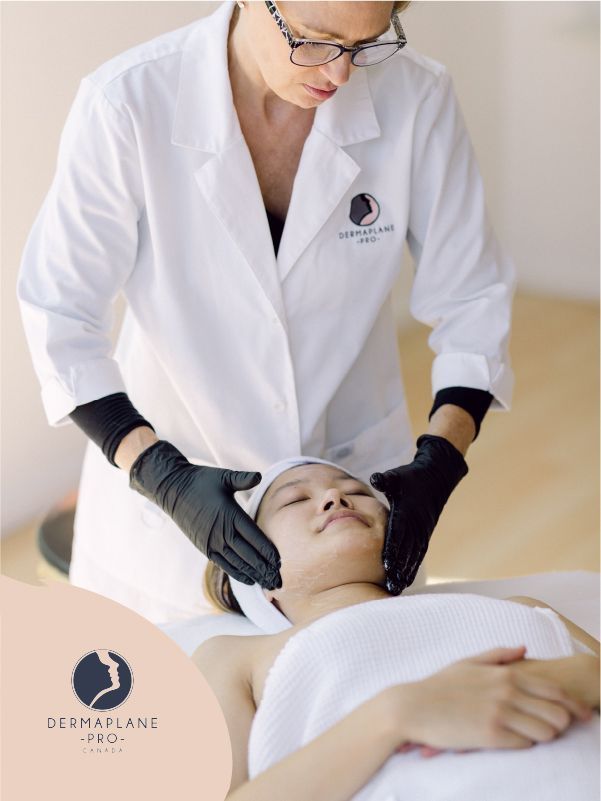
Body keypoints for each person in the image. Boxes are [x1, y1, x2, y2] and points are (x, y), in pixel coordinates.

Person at [16, 0, 515, 624]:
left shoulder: (417, 97)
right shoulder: (129, 102)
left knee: (346, 701)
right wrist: (161, 474)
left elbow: (471, 301)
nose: (339, 76)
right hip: (170, 492)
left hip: (346, 494)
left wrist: (440, 463)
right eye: (315, 39)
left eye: (365, 44)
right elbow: (61, 315)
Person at [196, 458, 600, 801]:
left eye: (356, 491)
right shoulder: (235, 658)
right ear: (257, 573)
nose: (335, 498)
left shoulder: (519, 609)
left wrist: (562, 679)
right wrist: (395, 715)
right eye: (296, 500)